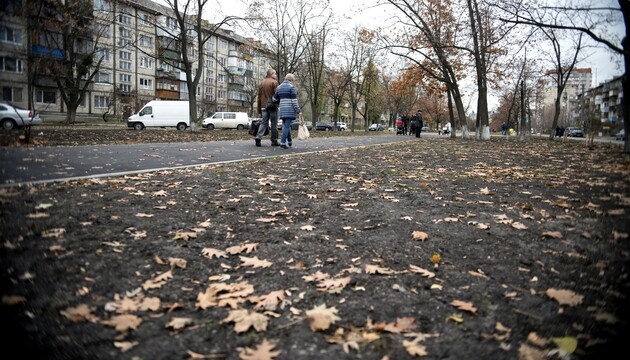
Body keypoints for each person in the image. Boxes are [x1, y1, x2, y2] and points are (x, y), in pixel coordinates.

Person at [275, 73, 302, 149]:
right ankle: (282, 142)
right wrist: (298, 110)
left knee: (287, 125)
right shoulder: (292, 87)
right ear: (291, 80)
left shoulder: (279, 87)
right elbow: (294, 101)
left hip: (282, 109)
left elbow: (274, 98)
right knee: (287, 126)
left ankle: (289, 141)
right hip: (289, 109)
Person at [255, 69, 279, 147]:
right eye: (275, 74)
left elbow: (259, 97)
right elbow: (277, 95)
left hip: (263, 106)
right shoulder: (274, 82)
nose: (276, 75)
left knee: (263, 123)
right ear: (271, 74)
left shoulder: (262, 82)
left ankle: (258, 137)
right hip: (272, 106)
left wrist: (259, 109)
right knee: (274, 124)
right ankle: (274, 140)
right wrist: (278, 103)